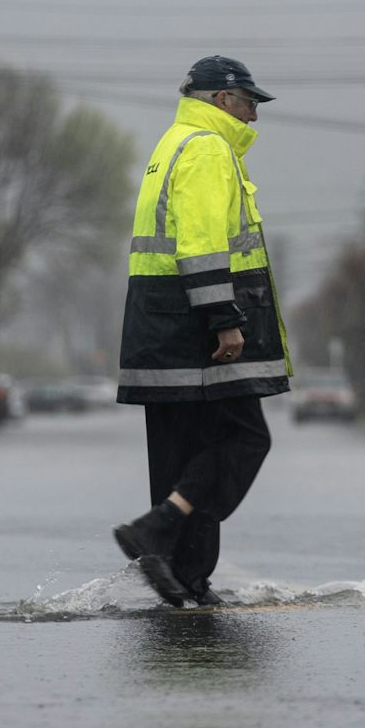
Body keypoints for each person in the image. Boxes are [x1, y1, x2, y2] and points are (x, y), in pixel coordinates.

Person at [112, 54, 292, 606]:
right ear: (220, 100)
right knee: (243, 438)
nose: (254, 117)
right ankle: (161, 532)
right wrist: (225, 321)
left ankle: (178, 572)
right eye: (247, 103)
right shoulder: (209, 149)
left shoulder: (173, 143)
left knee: (179, 451)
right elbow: (200, 243)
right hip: (198, 329)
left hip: (159, 325)